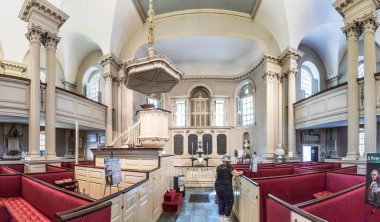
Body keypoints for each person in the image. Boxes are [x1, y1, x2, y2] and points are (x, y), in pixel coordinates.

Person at [215, 154, 245, 222]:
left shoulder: (218, 167)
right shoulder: (230, 168)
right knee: (229, 202)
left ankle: (221, 218)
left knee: (221, 202)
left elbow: (216, 177)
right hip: (226, 188)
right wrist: (243, 172)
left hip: (218, 186)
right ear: (228, 162)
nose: (230, 163)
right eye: (229, 161)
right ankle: (226, 218)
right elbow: (237, 174)